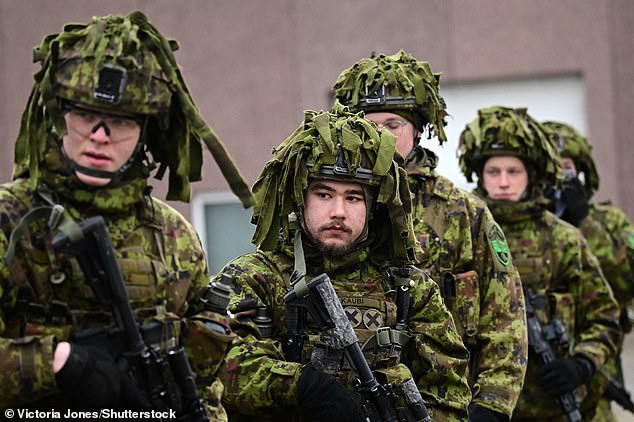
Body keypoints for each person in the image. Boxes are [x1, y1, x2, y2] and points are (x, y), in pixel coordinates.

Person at [0, 11, 253, 419]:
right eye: (84, 115)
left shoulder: (175, 236)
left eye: (119, 122)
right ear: (58, 117)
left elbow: (204, 386)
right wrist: (56, 362)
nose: (99, 135)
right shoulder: (10, 220)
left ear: (144, 134)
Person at [218, 103, 471, 421]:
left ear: (372, 208)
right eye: (324, 195)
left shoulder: (408, 287)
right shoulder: (254, 278)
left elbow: (450, 391)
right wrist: (302, 386)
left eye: (353, 197)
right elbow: (219, 364)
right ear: (301, 199)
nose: (338, 211)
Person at [333, 50, 527, 422]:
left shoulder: (463, 212)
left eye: (393, 124)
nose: (380, 136)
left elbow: (505, 317)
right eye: (368, 124)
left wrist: (492, 404)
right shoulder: (335, 206)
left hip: (447, 405)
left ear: (418, 130)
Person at [457, 105, 621, 421]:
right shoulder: (461, 233)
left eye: (513, 172)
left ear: (531, 175)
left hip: (552, 409)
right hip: (479, 408)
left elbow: (605, 316)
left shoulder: (563, 239)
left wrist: (583, 363)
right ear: (480, 175)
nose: (503, 182)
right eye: (494, 172)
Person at [542, 120, 634, 421]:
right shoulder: (525, 224)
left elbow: (626, 282)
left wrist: (583, 221)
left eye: (566, 167)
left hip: (598, 376)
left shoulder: (608, 222)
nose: (559, 176)